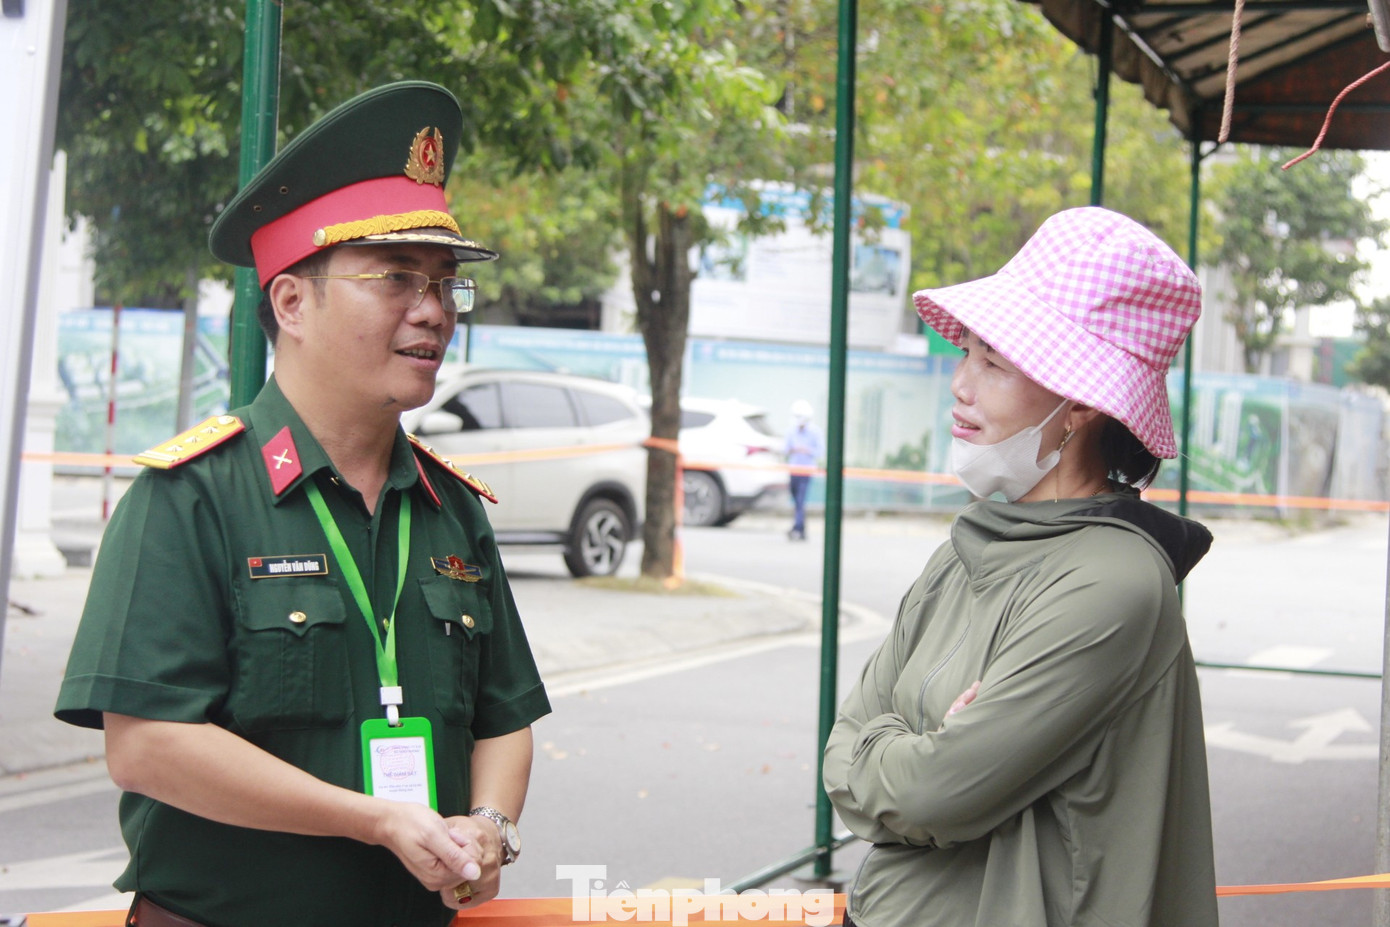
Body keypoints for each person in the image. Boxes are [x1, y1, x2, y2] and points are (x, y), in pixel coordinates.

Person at [54, 81, 550, 927]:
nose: (433, 311)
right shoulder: (191, 495)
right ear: (291, 301)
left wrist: (491, 825)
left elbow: (505, 716)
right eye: (396, 277)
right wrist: (373, 818)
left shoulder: (450, 506)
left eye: (445, 284)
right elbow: (145, 746)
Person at [822, 207, 1218, 927]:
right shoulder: (967, 547)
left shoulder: (1111, 584)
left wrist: (898, 746)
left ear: (1079, 407)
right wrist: (911, 748)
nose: (961, 385)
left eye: (995, 362)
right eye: (967, 353)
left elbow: (931, 792)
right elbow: (842, 751)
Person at [784, 399, 822, 540]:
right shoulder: (790, 430)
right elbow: (785, 449)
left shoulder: (815, 431)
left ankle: (797, 528)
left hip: (806, 471)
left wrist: (807, 450)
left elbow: (820, 451)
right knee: (796, 501)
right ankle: (801, 528)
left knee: (800, 500)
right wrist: (793, 449)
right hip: (794, 469)